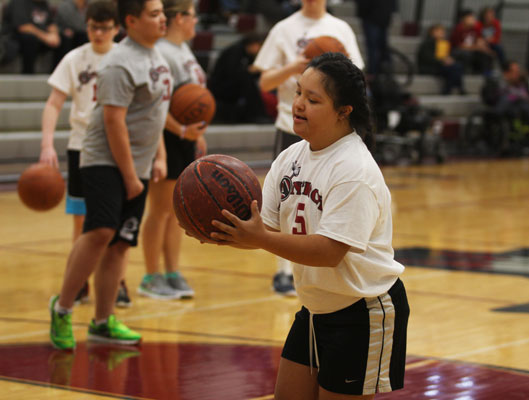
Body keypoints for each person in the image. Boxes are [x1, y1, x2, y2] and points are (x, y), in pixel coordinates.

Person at [198, 52, 410, 399]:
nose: (298, 104)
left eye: (313, 99)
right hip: (316, 308)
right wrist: (221, 230)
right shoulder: (291, 157)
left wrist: (260, 238)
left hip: (363, 310)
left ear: (344, 111)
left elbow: (329, 252)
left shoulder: (354, 169)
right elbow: (261, 228)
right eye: (298, 93)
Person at [49, 0, 172, 350]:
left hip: (140, 164)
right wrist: (131, 175)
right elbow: (113, 122)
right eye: (154, 14)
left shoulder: (158, 59)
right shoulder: (119, 63)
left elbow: (154, 115)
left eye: (163, 12)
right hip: (105, 159)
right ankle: (62, 308)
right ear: (131, 21)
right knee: (100, 230)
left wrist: (158, 156)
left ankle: (102, 322)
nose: (162, 18)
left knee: (120, 241)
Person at [252, 0, 364, 296]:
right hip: (290, 125)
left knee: (321, 200)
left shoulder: (340, 29)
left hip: (328, 129)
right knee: (286, 201)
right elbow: (264, 82)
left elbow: (355, 78)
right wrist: (298, 67)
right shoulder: (283, 29)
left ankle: (325, 260)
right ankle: (283, 273)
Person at [39, 1, 132, 309]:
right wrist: (47, 144)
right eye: (93, 26)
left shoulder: (126, 59)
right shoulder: (75, 58)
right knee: (82, 223)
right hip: (81, 146)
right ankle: (78, 283)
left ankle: (117, 282)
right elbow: (53, 103)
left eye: (105, 27)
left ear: (117, 28)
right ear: (87, 25)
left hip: (118, 148)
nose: (98, 33)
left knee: (118, 222)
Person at [139, 0, 207, 300]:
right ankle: (150, 275)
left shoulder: (183, 49)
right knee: (159, 212)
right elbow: (155, 105)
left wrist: (197, 133)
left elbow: (194, 100)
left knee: (175, 213)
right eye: (193, 16)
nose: (196, 21)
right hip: (165, 137)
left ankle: (171, 271)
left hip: (186, 137)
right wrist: (181, 130)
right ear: (179, 18)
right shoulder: (163, 53)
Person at [208, 32, 272, 124]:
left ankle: (258, 114)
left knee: (250, 82)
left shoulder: (247, 54)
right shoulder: (234, 51)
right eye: (259, 46)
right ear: (253, 44)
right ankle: (257, 115)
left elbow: (250, 73)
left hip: (233, 86)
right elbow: (233, 74)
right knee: (247, 82)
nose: (259, 50)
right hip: (221, 88)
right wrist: (251, 70)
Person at [3, 0, 60, 74]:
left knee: (64, 37)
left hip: (40, 37)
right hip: (15, 39)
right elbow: (23, 27)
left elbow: (50, 23)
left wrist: (54, 34)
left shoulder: (43, 3)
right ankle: (28, 73)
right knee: (30, 39)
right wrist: (45, 37)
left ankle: (57, 74)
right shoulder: (19, 2)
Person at [417, 23, 465, 95]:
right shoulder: (427, 43)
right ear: (432, 32)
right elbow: (427, 58)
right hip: (429, 66)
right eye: (439, 31)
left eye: (442, 31)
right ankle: (454, 88)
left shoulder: (444, 43)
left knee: (457, 66)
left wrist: (449, 59)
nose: (441, 33)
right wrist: (442, 61)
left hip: (441, 65)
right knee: (454, 68)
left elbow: (448, 55)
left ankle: (452, 88)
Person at [354, 0, 396, 79]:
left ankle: (373, 72)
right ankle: (381, 71)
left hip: (372, 16)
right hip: (383, 15)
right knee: (379, 46)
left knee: (373, 47)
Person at [450, 9, 493, 75]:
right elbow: (460, 45)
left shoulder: (474, 29)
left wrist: (484, 48)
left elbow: (479, 40)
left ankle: (484, 74)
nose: (473, 20)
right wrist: (476, 47)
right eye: (471, 18)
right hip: (457, 50)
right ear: (464, 19)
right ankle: (464, 72)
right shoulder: (459, 29)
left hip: (471, 49)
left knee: (486, 54)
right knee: (466, 54)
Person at [55, 0, 89, 65]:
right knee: (67, 37)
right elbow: (75, 23)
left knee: (85, 36)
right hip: (65, 32)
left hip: (82, 32)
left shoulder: (90, 5)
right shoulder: (65, 5)